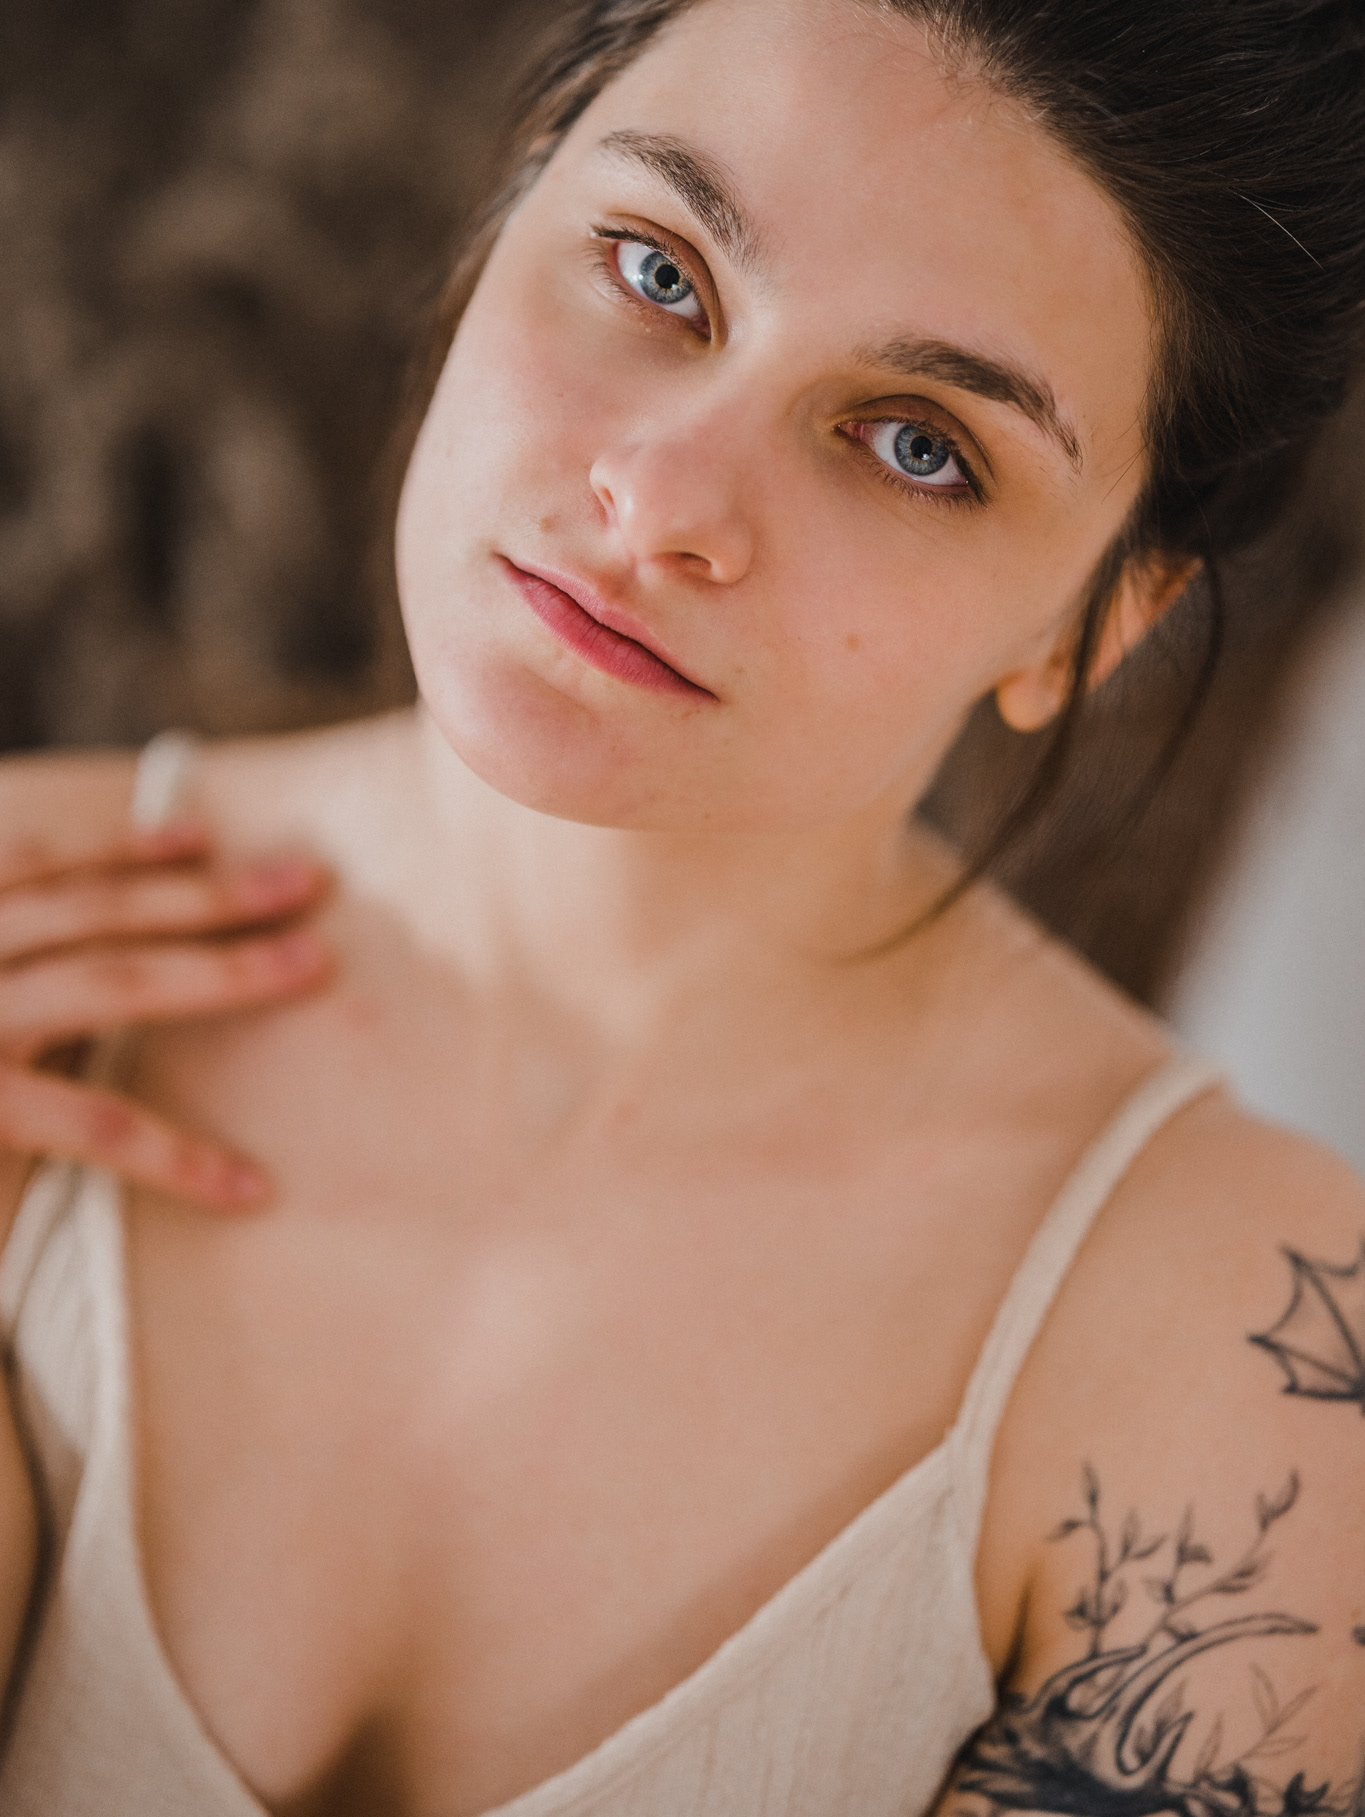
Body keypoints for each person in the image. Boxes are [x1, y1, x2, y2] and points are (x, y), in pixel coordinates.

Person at [1, 0, 1363, 1810]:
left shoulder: (1236, 1362)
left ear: (1093, 626)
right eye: (657, 272)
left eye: (918, 444)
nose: (657, 501)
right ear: (517, 200)